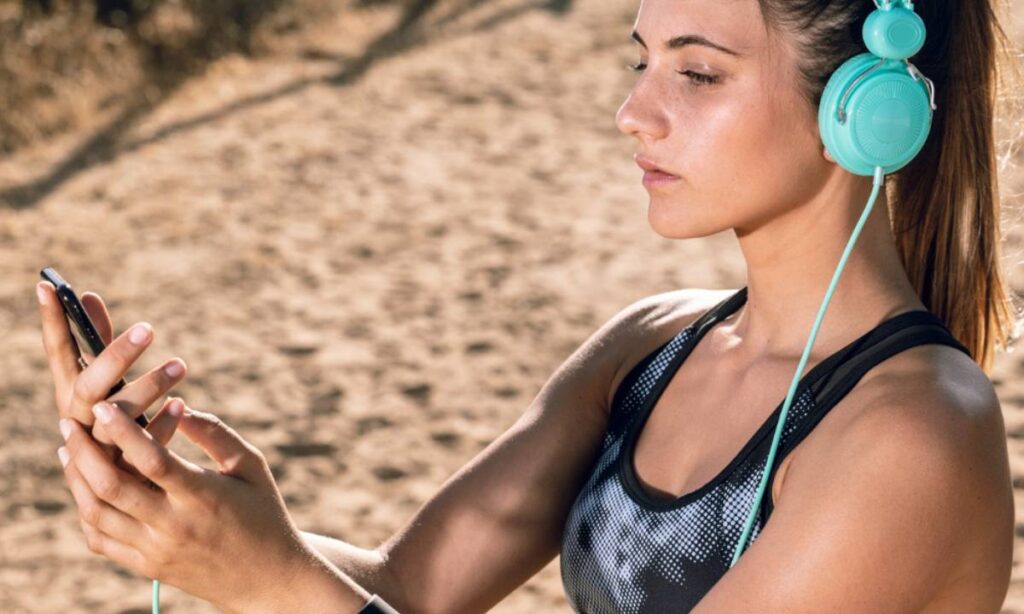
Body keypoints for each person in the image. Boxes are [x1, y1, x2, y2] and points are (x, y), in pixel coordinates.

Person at [37, 0, 1020, 611]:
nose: (634, 110)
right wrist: (182, 511)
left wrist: (269, 582)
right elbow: (405, 591)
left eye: (697, 71)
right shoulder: (652, 345)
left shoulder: (913, 436)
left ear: (862, 113)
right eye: (638, 59)